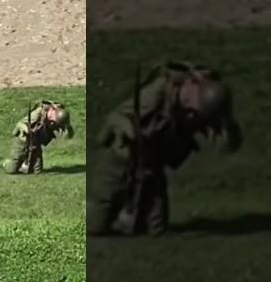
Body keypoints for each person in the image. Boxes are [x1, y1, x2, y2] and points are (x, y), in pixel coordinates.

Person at [87, 61, 243, 236]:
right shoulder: (158, 92)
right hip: (120, 160)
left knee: (155, 228)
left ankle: (129, 219)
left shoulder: (202, 104)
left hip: (152, 165)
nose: (192, 111)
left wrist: (225, 127)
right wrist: (131, 133)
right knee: (94, 225)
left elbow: (227, 145)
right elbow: (117, 117)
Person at [2, 100, 74, 174]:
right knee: (12, 169)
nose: (52, 120)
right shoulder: (37, 114)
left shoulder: (59, 115)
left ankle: (25, 164)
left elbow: (66, 128)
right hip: (22, 141)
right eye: (52, 118)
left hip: (35, 143)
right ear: (52, 111)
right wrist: (27, 130)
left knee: (37, 171)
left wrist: (67, 129)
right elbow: (20, 124)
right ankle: (5, 163)